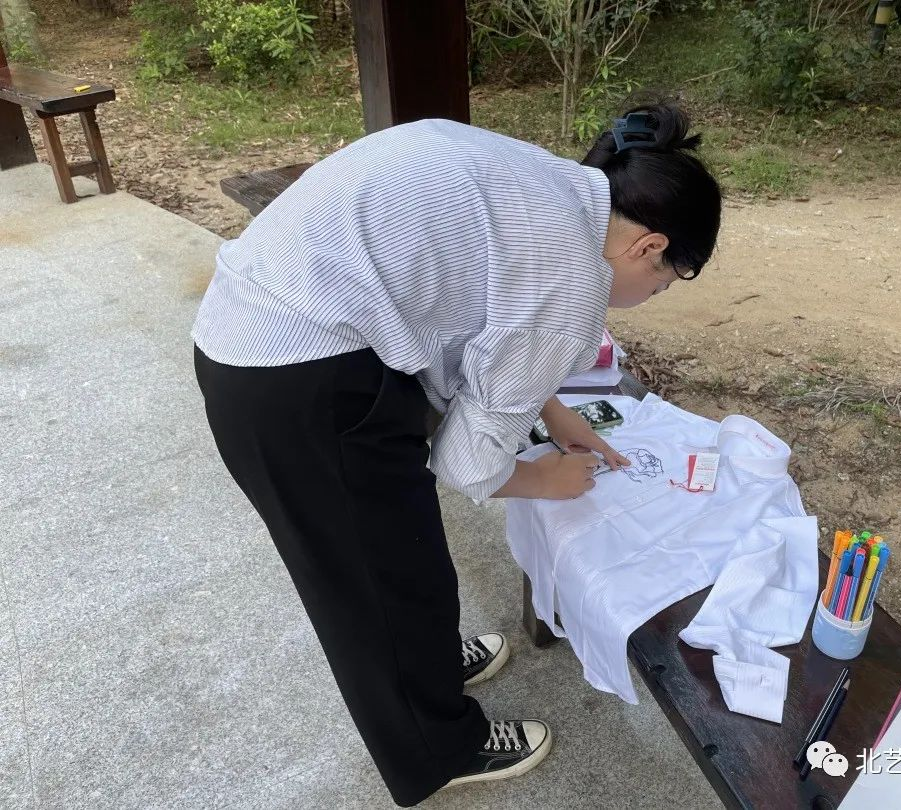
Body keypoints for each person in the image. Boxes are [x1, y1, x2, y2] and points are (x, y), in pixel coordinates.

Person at [191, 101, 721, 807]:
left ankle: (431, 666)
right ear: (648, 246)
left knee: (405, 557)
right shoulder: (572, 280)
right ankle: (438, 750)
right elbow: (467, 463)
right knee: (371, 583)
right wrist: (545, 479)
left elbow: (482, 317)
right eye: (661, 283)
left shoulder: (558, 189)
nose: (649, 295)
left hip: (266, 332)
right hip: (296, 379)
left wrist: (551, 408)